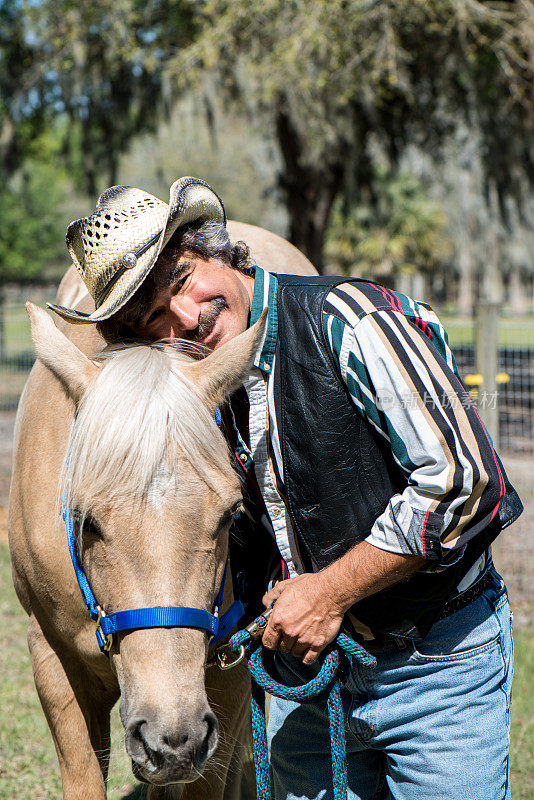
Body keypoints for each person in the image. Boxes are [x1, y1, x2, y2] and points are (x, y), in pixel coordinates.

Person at [49, 177, 522, 800]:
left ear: (217, 251)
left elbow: (466, 481)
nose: (185, 318)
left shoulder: (354, 322)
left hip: (436, 671)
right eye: (155, 318)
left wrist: (328, 593)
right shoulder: (194, 394)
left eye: (183, 281)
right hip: (306, 680)